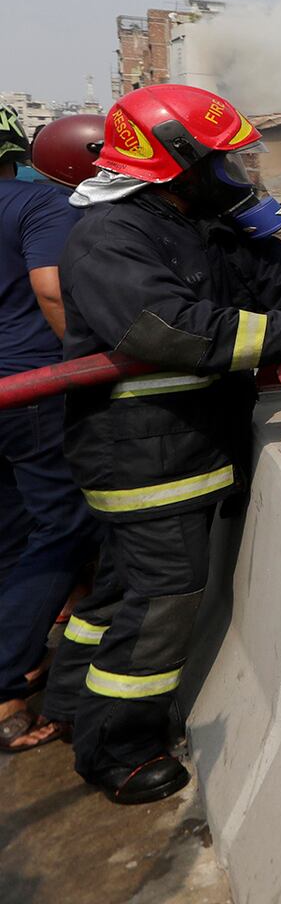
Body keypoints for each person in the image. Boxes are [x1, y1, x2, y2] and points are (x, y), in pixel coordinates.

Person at [39, 84, 281, 804]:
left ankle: (71, 705)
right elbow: (171, 330)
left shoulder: (198, 223)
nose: (234, 174)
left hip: (184, 448)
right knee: (161, 598)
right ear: (175, 161)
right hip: (144, 457)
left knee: (120, 588)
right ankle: (119, 750)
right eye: (218, 160)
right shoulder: (114, 236)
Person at [0, 105, 90, 752]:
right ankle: (7, 672)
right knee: (66, 524)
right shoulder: (35, 206)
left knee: (13, 530)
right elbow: (52, 290)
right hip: (32, 392)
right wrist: (85, 365)